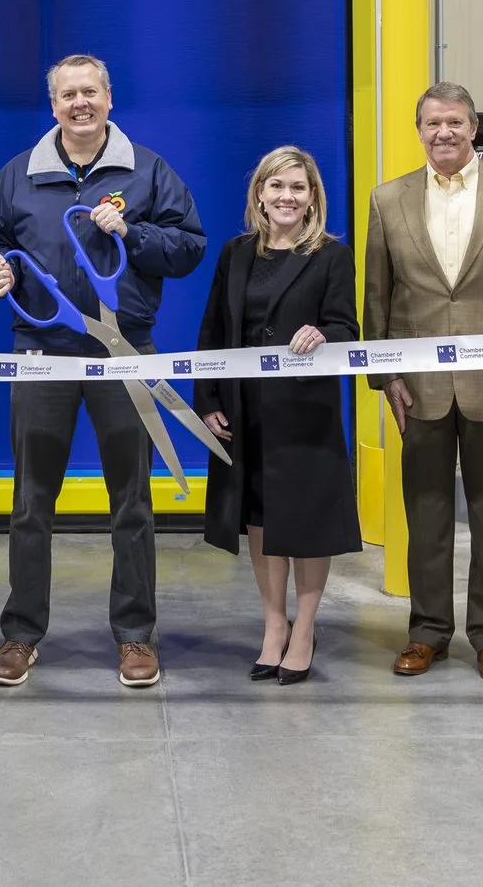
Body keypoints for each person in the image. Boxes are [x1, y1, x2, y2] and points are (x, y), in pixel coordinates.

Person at [0, 53, 205, 689]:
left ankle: (135, 636)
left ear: (110, 99)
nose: (80, 103)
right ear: (53, 106)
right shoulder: (17, 176)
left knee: (132, 501)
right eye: (68, 95)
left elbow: (188, 248)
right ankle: (21, 634)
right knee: (30, 502)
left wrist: (132, 233)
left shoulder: (148, 172)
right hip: (41, 354)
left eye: (90, 93)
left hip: (123, 350)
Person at [361, 80, 483, 684]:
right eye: (431, 124)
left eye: (455, 122)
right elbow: (379, 297)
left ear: (475, 129)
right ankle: (427, 632)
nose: (443, 132)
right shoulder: (387, 199)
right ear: (418, 131)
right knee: (425, 516)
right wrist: (384, 374)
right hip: (417, 388)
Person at [194, 146, 361, 686]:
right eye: (277, 186)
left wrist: (325, 334)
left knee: (307, 526)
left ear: (313, 198)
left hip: (304, 415)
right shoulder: (235, 253)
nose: (287, 197)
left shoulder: (331, 256)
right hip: (245, 413)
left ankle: (305, 630)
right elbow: (214, 332)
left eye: (298, 187)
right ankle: (273, 628)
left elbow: (346, 328)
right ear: (259, 195)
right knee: (260, 523)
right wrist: (209, 398)